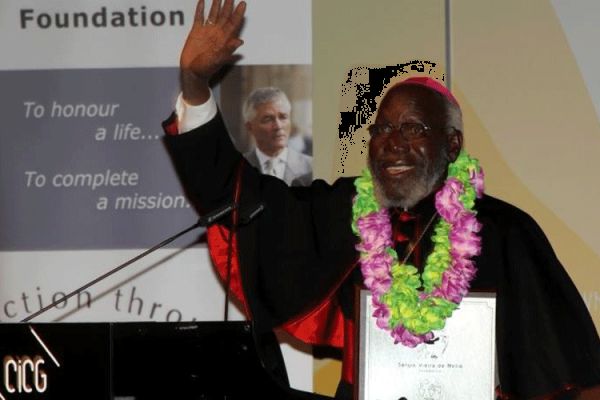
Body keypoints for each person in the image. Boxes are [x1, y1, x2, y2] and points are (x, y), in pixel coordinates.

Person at [164, 0, 600, 398]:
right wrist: (195, 83)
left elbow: (563, 372)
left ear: (451, 145)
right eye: (382, 129)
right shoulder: (344, 211)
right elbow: (239, 197)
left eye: (413, 129)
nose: (392, 143)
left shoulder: (506, 232)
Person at [241, 87, 312, 186]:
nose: (278, 126)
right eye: (268, 119)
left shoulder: (311, 168)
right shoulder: (237, 170)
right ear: (249, 127)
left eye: (283, 117)